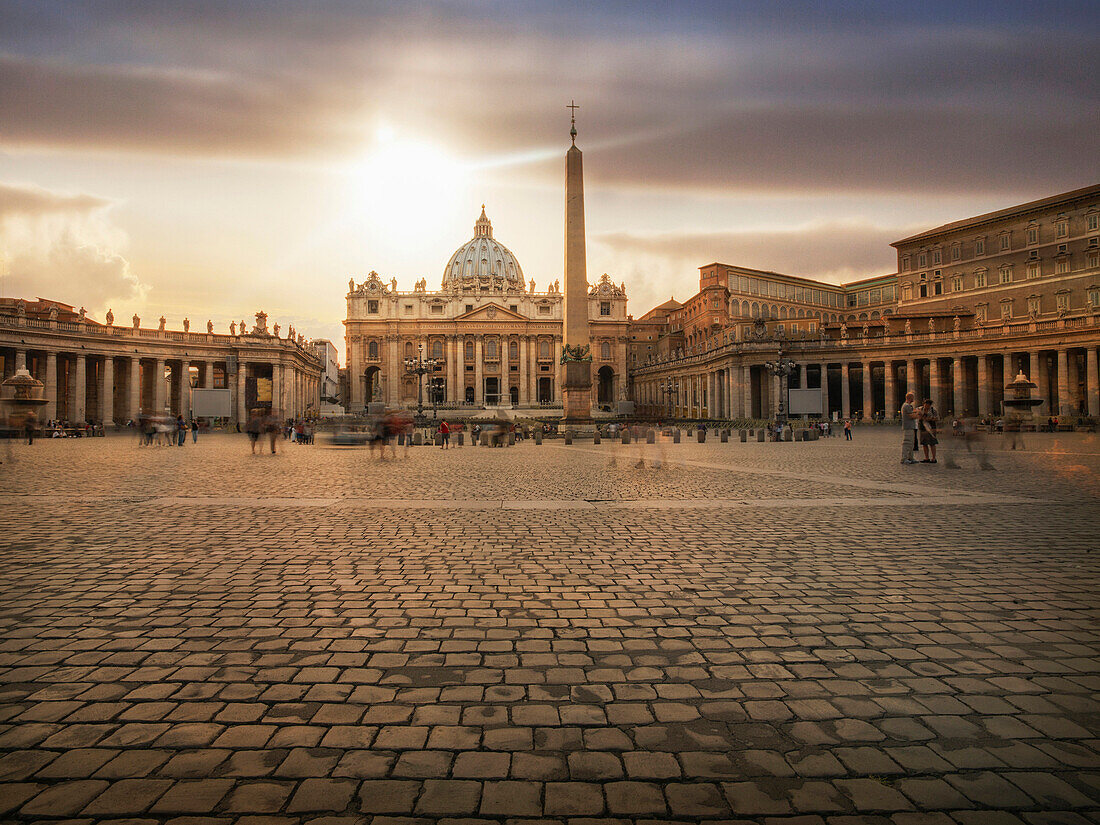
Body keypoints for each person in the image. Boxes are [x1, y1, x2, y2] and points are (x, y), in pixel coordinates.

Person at [918, 398, 939, 463]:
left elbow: (937, 418)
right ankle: (926, 458)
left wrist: (930, 419)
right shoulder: (920, 409)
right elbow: (917, 416)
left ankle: (933, 458)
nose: (926, 406)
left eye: (927, 405)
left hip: (931, 428)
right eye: (925, 404)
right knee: (924, 443)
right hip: (923, 428)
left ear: (930, 405)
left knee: (932, 443)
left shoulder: (933, 410)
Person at [900, 391, 918, 465]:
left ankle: (910, 457)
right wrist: (918, 414)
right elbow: (912, 416)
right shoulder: (906, 406)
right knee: (907, 443)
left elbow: (913, 413)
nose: (914, 399)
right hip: (908, 427)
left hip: (911, 426)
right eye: (913, 397)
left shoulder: (909, 406)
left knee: (911, 443)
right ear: (910, 398)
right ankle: (904, 458)